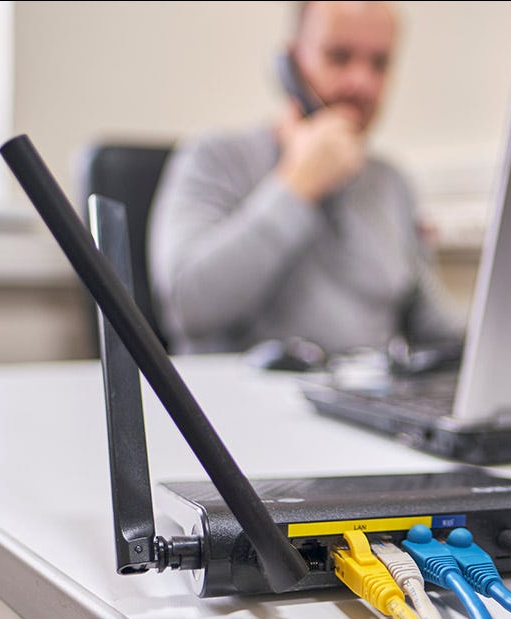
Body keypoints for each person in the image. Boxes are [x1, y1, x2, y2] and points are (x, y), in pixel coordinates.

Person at [149, 1, 462, 358]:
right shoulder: (214, 157)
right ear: (291, 64)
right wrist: (298, 186)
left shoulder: (390, 182)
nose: (362, 82)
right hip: (241, 405)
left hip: (367, 399)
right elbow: (187, 306)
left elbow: (433, 328)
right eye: (339, 56)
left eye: (380, 64)